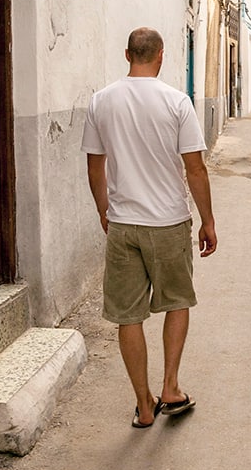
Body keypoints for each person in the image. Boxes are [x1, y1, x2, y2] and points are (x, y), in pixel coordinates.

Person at [81, 27, 217, 429]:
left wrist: (104, 210)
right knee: (176, 302)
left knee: (128, 316)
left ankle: (144, 404)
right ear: (161, 55)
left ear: (127, 54)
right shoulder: (177, 102)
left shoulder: (101, 101)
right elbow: (195, 168)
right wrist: (207, 220)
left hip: (123, 223)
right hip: (168, 222)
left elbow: (94, 165)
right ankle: (170, 386)